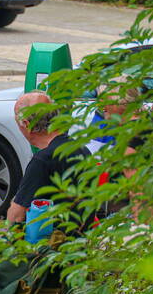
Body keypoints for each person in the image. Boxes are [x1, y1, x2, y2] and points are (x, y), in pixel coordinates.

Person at [6, 91, 91, 225]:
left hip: (54, 239)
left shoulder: (42, 161)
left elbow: (16, 215)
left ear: (26, 124)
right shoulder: (81, 149)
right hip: (83, 233)